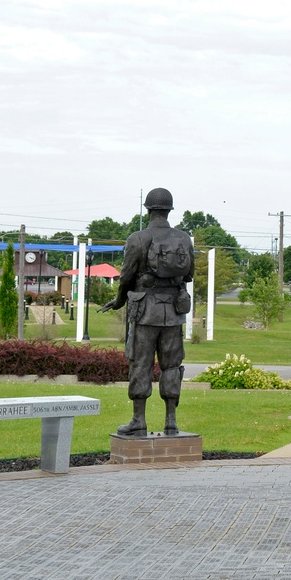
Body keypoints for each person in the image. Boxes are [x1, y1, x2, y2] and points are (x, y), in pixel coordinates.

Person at [101, 187, 194, 438]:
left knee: (140, 363)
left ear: (149, 209)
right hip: (173, 312)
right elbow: (188, 274)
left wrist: (119, 301)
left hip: (144, 312)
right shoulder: (184, 239)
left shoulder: (137, 238)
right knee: (172, 365)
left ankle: (138, 420)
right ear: (169, 210)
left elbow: (126, 277)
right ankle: (171, 421)